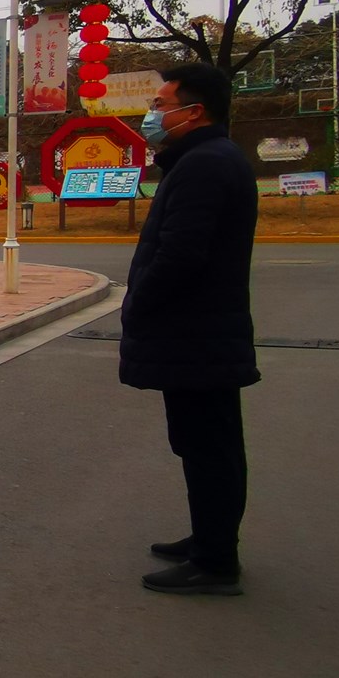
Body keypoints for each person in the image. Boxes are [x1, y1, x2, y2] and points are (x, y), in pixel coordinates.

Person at [122, 64, 259, 596]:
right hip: (202, 331)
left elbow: (181, 255)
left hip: (198, 332)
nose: (152, 114)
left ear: (194, 111)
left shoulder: (205, 165)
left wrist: (139, 302)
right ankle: (209, 538)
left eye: (161, 104)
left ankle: (215, 562)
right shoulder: (207, 159)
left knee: (209, 447)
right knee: (203, 442)